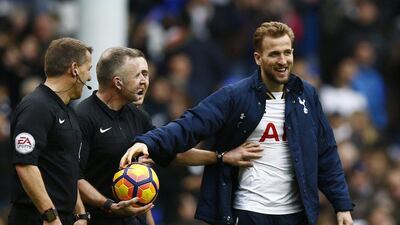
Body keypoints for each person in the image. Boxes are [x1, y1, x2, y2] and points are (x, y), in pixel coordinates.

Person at [120, 21, 354, 225]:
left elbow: (326, 153)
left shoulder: (307, 95)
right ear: (258, 58)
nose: (283, 61)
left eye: (287, 53)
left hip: (296, 214)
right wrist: (149, 142)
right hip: (249, 211)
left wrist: (342, 204)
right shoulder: (235, 96)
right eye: (274, 54)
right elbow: (190, 124)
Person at [76, 47, 262, 225]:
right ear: (118, 82)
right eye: (139, 75)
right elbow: (74, 178)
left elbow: (172, 153)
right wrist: (109, 206)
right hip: (99, 220)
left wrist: (222, 156)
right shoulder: (84, 116)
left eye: (146, 74)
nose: (145, 81)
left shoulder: (138, 116)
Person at [9, 37, 93, 225]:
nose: (89, 77)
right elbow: (25, 165)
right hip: (37, 218)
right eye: (88, 69)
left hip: (62, 218)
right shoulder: (36, 107)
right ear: (74, 69)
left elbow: (67, 169)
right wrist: (50, 216)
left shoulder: (68, 110)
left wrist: (80, 213)